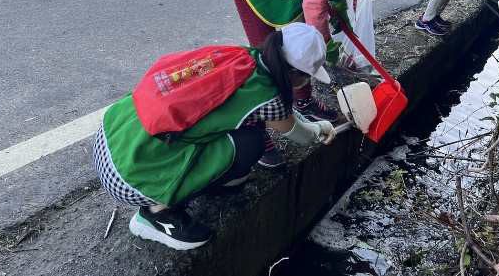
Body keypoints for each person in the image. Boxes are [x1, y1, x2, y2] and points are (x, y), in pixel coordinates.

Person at [93, 23, 336, 251]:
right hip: (128, 175)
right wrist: (320, 129)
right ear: (294, 73)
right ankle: (155, 214)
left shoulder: (241, 57)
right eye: (308, 76)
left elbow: (279, 112)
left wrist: (314, 123)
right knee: (251, 143)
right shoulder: (266, 95)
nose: (308, 81)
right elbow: (298, 134)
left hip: (115, 133)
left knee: (243, 131)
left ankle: (210, 180)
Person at [227, 0, 423, 166]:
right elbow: (313, 4)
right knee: (268, 55)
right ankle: (258, 131)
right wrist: (326, 48)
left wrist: (338, 19)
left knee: (300, 51)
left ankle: (304, 102)